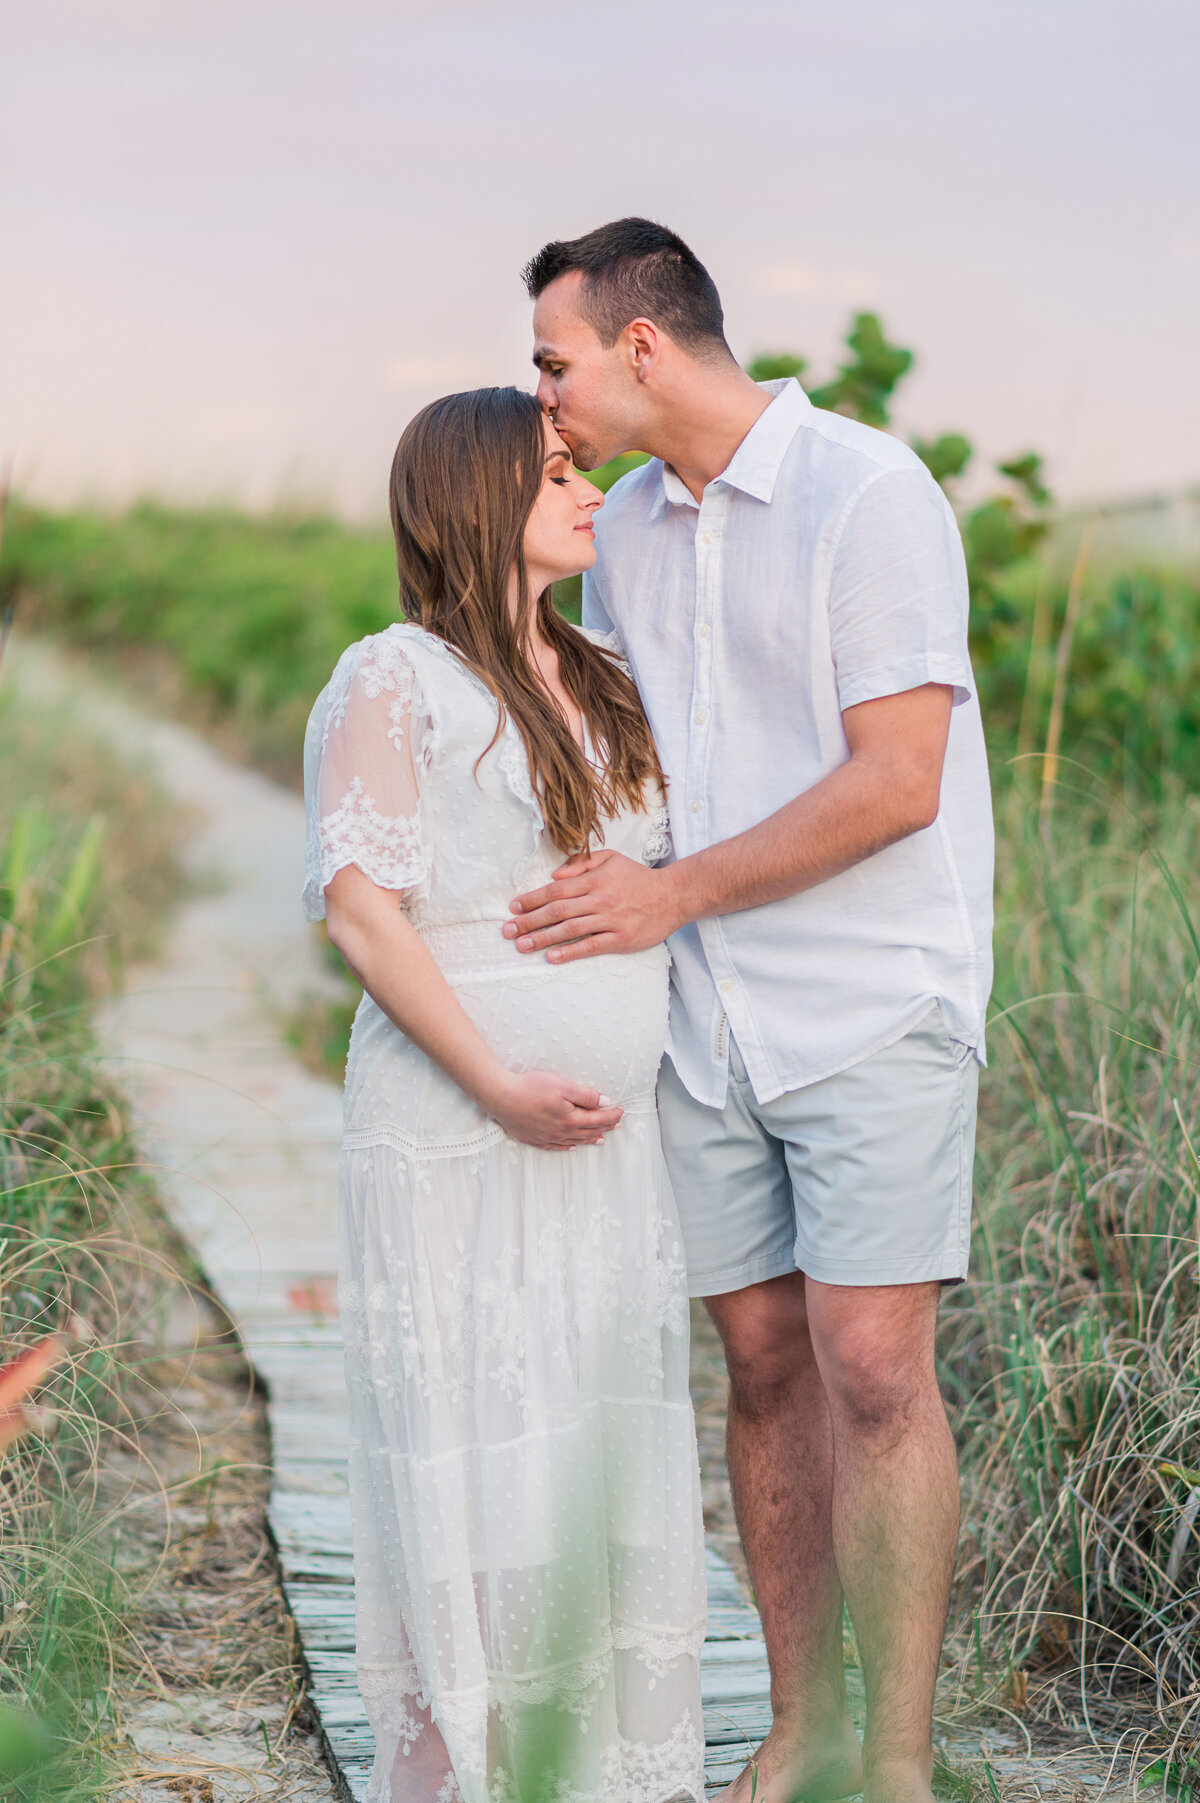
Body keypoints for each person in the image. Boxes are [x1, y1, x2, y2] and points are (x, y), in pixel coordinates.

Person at [505, 219, 995, 1803]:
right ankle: (803, 1731)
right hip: (704, 1020)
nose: (546, 396)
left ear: (642, 346)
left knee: (872, 1363)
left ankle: (901, 1765)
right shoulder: (629, 528)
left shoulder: (869, 492)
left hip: (872, 1001)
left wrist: (672, 895)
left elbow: (899, 783)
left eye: (556, 362)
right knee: (765, 1362)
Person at [302, 386, 707, 1803]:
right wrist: (499, 1084)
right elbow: (364, 913)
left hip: (605, 1151)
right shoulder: (393, 677)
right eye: (557, 476)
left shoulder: (605, 671)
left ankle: (594, 1763)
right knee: (480, 1436)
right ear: (476, 503)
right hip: (456, 1130)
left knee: (583, 1436)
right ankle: (472, 1763)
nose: (592, 494)